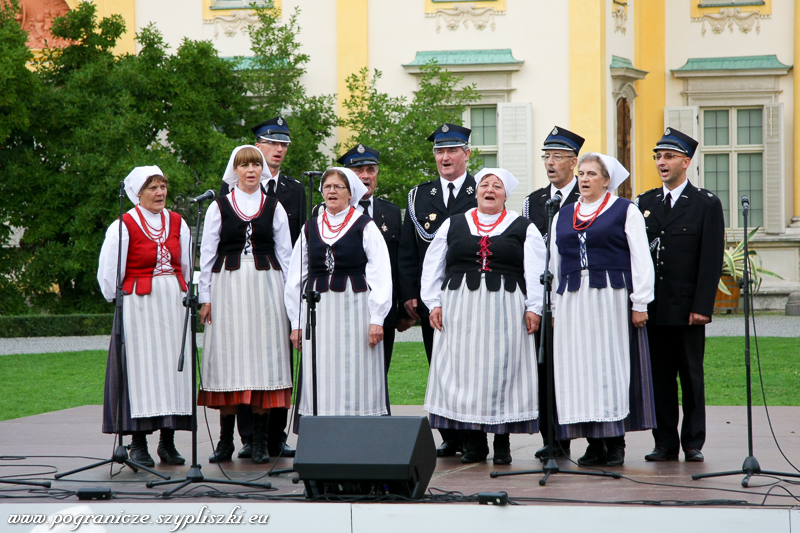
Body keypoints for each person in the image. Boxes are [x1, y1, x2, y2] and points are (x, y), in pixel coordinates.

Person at [421, 168, 545, 465]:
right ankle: (474, 442)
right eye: (485, 185)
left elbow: (537, 271)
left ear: (505, 194)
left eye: (497, 186)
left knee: (502, 371)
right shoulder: (453, 224)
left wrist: (534, 307)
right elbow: (433, 266)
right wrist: (433, 303)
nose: (490, 189)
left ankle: (502, 441)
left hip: (506, 308)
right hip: (460, 309)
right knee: (467, 372)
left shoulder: (523, 226)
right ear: (476, 192)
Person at [550, 153, 656, 467]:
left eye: (592, 174)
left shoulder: (626, 210)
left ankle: (615, 441)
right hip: (573, 301)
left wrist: (640, 302)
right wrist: (555, 307)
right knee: (579, 371)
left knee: (609, 366)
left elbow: (640, 257)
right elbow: (555, 264)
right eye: (581, 173)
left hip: (610, 297)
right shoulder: (562, 214)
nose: (584, 179)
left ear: (606, 180)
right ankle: (593, 443)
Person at [198, 145, 294, 464]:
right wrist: (205, 298)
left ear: (262, 170)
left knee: (263, 360)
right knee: (229, 360)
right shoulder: (219, 206)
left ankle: (261, 442)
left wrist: (290, 303)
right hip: (228, 289)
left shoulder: (274, 206)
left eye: (256, 164)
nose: (251, 170)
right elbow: (208, 254)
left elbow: (287, 256)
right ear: (235, 171)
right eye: (244, 165)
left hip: (267, 289)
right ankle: (226, 440)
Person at [217, 116, 305, 460]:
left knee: (275, 356)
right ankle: (247, 436)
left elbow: (293, 245)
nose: (279, 149)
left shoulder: (295, 191)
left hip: (275, 282)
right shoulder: (228, 192)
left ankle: (275, 435)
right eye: (272, 143)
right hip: (239, 285)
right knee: (242, 354)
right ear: (256, 146)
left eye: (284, 144)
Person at [636, 128, 725, 463]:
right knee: (659, 378)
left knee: (691, 377)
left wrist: (703, 306)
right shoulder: (644, 203)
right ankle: (664, 442)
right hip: (655, 308)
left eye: (669, 156)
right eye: (658, 156)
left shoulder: (705, 204)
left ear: (685, 162)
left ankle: (692, 442)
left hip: (687, 309)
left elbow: (711, 258)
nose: (662, 162)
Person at [97, 166, 193, 467]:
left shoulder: (179, 222)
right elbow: (110, 271)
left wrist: (183, 293)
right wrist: (119, 301)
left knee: (172, 372)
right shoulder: (123, 226)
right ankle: (138, 444)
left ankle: (168, 442)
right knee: (141, 371)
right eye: (153, 187)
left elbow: (187, 265)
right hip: (139, 305)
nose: (160, 192)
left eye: (163, 186)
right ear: (138, 193)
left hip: (173, 305)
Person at [284, 167, 392, 418]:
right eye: (327, 186)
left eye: (337, 187)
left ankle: (359, 429)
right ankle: (321, 431)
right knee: (322, 369)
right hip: (319, 313)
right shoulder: (310, 228)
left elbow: (381, 273)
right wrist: (296, 322)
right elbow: (295, 278)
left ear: (350, 192)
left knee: (356, 368)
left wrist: (377, 319)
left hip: (356, 310)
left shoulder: (365, 226)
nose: (331, 191)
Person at [398, 123, 477, 457]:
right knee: (439, 366)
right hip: (433, 301)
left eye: (452, 151)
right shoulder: (420, 195)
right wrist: (409, 293)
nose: (445, 157)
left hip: (473, 297)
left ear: (466, 154)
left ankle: (474, 433)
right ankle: (449, 434)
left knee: (471, 365)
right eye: (439, 151)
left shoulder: (484, 189)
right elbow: (407, 250)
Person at [522, 125, 585, 460]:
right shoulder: (534, 201)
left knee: (577, 368)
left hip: (577, 296)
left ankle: (596, 440)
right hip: (543, 297)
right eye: (547, 156)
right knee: (544, 368)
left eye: (558, 156)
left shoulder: (587, 196)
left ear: (573, 163)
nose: (550, 163)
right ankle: (553, 439)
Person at [337, 144, 412, 379]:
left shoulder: (390, 213)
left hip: (383, 309)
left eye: (371, 170)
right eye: (358, 170)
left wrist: (402, 311)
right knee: (345, 373)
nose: (365, 176)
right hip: (343, 305)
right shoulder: (329, 213)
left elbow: (399, 262)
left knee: (379, 375)